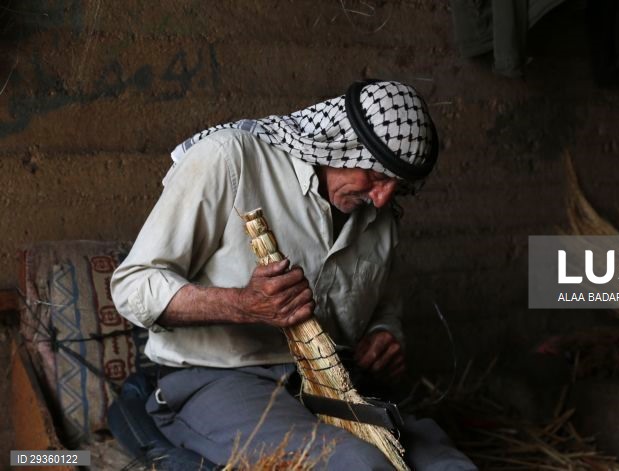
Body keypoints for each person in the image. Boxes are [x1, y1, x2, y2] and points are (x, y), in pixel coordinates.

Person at [111, 80, 476, 470]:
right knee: (357, 465)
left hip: (329, 384)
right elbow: (132, 285)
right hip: (218, 379)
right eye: (376, 175)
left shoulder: (380, 219)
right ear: (342, 142)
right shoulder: (231, 160)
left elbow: (384, 304)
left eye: (396, 186)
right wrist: (242, 305)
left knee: (447, 465)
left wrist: (384, 335)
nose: (382, 198)